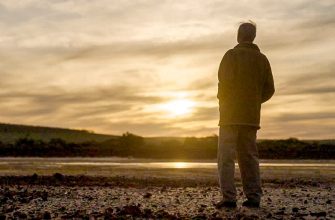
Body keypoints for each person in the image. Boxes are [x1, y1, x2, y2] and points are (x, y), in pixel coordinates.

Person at [216, 22, 275, 208]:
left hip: (230, 115)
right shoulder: (262, 59)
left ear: (238, 36)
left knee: (226, 158)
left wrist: (224, 101)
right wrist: (254, 102)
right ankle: (254, 196)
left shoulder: (231, 55)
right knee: (249, 157)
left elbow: (223, 83)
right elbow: (270, 89)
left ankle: (229, 198)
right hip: (250, 117)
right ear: (253, 37)